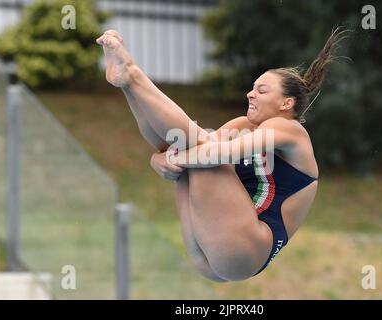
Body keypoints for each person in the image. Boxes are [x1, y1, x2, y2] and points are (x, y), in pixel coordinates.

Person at [96, 27, 345, 282]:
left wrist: (174, 160)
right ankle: (127, 83)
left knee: (199, 149)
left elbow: (217, 153)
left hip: (245, 250)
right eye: (252, 88)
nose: (250, 93)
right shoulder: (243, 126)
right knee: (188, 144)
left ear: (286, 104)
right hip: (211, 250)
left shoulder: (291, 131)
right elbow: (190, 144)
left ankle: (133, 75)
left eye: (261, 90)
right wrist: (158, 158)